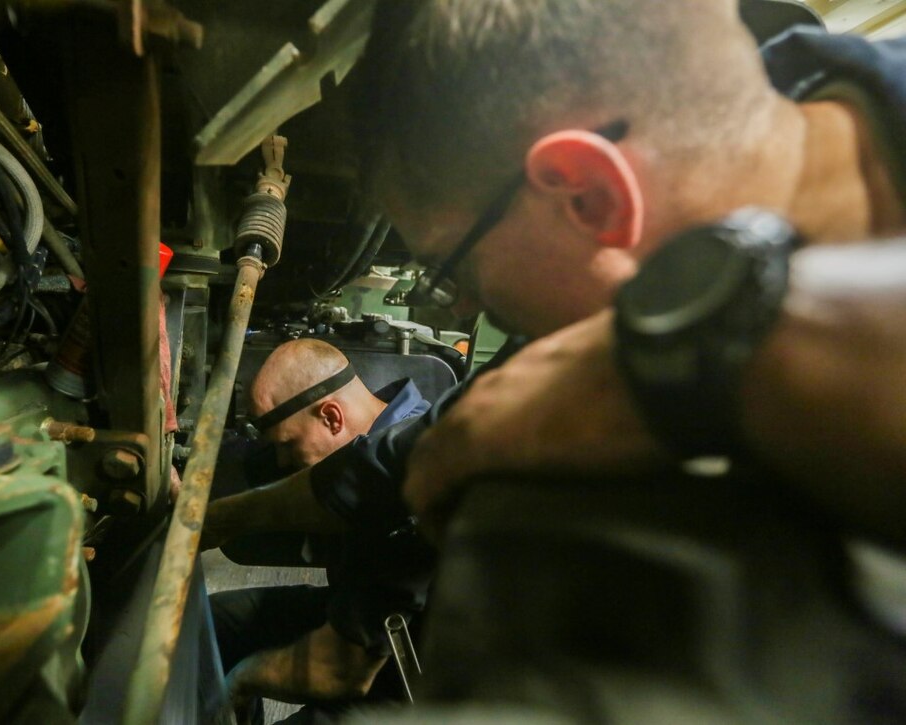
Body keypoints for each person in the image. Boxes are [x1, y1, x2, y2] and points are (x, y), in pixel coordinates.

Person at [337, 0, 906, 548]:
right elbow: (450, 433)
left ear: (590, 195)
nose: (460, 306)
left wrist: (673, 364)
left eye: (449, 268)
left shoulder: (635, 350)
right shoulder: (617, 317)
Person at [204, 338, 434, 723]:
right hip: (360, 607)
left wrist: (245, 679)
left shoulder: (413, 478)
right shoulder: (380, 436)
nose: (283, 461)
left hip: (407, 677)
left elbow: (345, 671)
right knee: (211, 625)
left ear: (331, 416)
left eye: (288, 445)